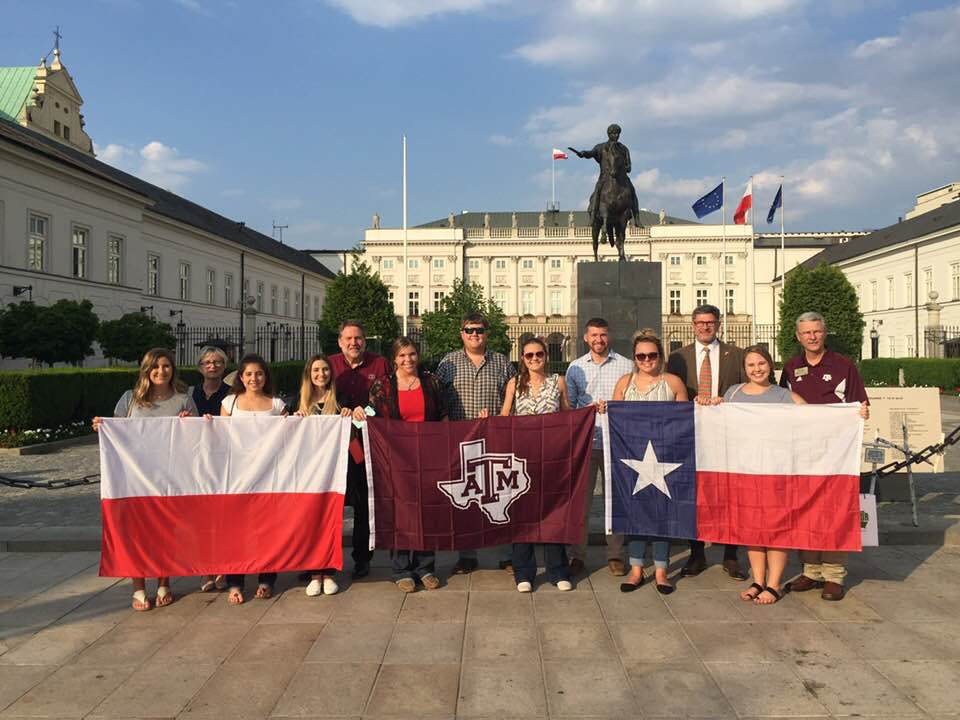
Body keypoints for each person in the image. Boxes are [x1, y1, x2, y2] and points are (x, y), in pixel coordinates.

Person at [697, 345, 806, 605]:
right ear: (744, 369)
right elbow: (718, 422)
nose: (757, 369)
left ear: (770, 365)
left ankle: (774, 583)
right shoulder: (732, 393)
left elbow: (815, 418)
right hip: (744, 471)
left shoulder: (784, 396)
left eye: (761, 364)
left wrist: (851, 415)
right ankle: (758, 580)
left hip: (775, 471)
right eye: (751, 365)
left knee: (776, 527)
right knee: (752, 529)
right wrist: (708, 406)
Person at [92, 348, 198, 611]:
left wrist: (190, 423)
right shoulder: (130, 399)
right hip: (135, 478)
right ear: (146, 370)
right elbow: (117, 431)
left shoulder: (184, 400)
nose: (161, 371)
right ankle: (138, 587)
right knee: (136, 532)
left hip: (170, 478)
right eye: (155, 367)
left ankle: (164, 582)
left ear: (173, 369)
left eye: (166, 366)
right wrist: (101, 426)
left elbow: (197, 441)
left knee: (164, 530)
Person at [780, 311, 870, 602]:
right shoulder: (792, 368)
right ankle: (811, 570)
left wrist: (863, 412)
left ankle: (833, 575)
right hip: (802, 452)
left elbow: (860, 403)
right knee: (804, 509)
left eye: (817, 331)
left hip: (835, 454)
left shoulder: (844, 366)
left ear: (824, 332)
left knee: (834, 511)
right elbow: (781, 405)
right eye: (806, 333)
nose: (812, 337)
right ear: (798, 336)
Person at [354, 337, 447, 592]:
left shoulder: (431, 383)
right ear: (394, 359)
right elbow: (371, 417)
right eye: (402, 355)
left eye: (412, 354)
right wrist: (360, 414)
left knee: (425, 511)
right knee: (400, 511)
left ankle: (425, 567)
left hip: (427, 456)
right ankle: (402, 568)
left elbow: (442, 416)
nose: (408, 360)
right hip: (395, 459)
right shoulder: (382, 386)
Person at [666, 304, 748, 580]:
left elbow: (748, 389)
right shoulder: (678, 356)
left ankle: (730, 555)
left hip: (727, 433)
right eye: (700, 322)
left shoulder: (736, 355)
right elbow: (671, 390)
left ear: (718, 324)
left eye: (710, 322)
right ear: (693, 325)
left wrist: (728, 400)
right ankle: (696, 553)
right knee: (695, 494)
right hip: (693, 432)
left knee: (729, 494)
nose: (705, 327)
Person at [606, 332, 688, 594]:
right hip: (632, 458)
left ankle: (662, 570)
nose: (647, 360)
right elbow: (615, 419)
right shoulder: (624, 383)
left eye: (652, 355)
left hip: (665, 457)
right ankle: (636, 568)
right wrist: (603, 409)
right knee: (636, 512)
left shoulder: (673, 382)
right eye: (641, 356)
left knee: (663, 513)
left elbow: (684, 422)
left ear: (660, 357)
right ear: (634, 358)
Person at [435, 312, 515, 574]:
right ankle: (467, 554)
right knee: (466, 498)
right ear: (462, 333)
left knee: (500, 494)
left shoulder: (502, 362)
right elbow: (438, 396)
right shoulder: (448, 363)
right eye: (469, 330)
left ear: (487, 333)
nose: (474, 334)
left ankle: (506, 553)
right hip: (461, 441)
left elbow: (513, 398)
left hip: (495, 440)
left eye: (479, 330)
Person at [500, 338, 573, 593]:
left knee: (552, 513)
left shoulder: (558, 381)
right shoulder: (514, 384)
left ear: (546, 356)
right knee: (522, 514)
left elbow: (568, 416)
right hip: (521, 457)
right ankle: (524, 572)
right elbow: (505, 417)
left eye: (538, 354)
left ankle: (558, 570)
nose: (534, 359)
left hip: (552, 456)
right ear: (522, 358)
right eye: (529, 355)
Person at [564, 317, 633, 576]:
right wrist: (587, 409)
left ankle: (615, 555)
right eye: (594, 335)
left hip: (616, 443)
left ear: (609, 336)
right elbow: (568, 406)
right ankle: (577, 555)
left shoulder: (626, 366)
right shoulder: (575, 368)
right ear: (585, 337)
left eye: (602, 335)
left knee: (614, 501)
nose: (598, 340)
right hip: (586, 442)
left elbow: (631, 401)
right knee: (580, 502)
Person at [221, 354, 288, 604]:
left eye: (259, 373)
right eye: (248, 374)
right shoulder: (229, 403)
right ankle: (235, 582)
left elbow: (289, 438)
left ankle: (266, 579)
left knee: (267, 530)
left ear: (265, 376)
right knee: (236, 531)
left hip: (269, 477)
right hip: (238, 476)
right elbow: (220, 440)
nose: (254, 378)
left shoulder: (277, 404)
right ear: (241, 377)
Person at [328, 320, 389, 579]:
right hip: (331, 446)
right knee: (331, 501)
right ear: (340, 341)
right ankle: (325, 559)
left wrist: (366, 412)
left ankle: (362, 558)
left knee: (364, 500)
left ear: (365, 340)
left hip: (362, 444)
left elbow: (386, 399)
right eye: (349, 338)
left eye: (359, 338)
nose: (354, 343)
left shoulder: (379, 364)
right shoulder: (329, 364)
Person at [294, 354, 353, 597]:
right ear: (309, 374)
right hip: (306, 475)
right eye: (316, 370)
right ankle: (313, 572)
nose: (321, 374)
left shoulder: (342, 400)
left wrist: (354, 415)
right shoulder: (297, 402)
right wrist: (293, 420)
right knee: (308, 523)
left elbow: (361, 425)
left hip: (332, 474)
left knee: (330, 521)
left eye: (325, 370)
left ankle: (328, 572)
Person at [191, 345, 232, 594]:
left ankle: (223, 567)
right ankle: (206, 568)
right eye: (207, 362)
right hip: (197, 462)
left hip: (223, 461)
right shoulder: (191, 393)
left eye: (217, 362)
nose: (212, 366)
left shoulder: (232, 393)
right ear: (200, 367)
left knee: (223, 517)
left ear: (224, 366)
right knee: (201, 520)